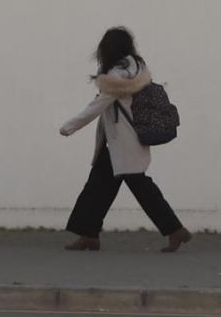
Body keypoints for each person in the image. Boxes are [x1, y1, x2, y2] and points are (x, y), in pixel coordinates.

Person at [59, 27, 193, 253]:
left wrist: (69, 126)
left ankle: (174, 230)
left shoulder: (117, 76)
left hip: (122, 143)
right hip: (120, 143)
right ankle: (89, 234)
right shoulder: (137, 67)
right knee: (98, 187)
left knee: (140, 189)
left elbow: (97, 106)